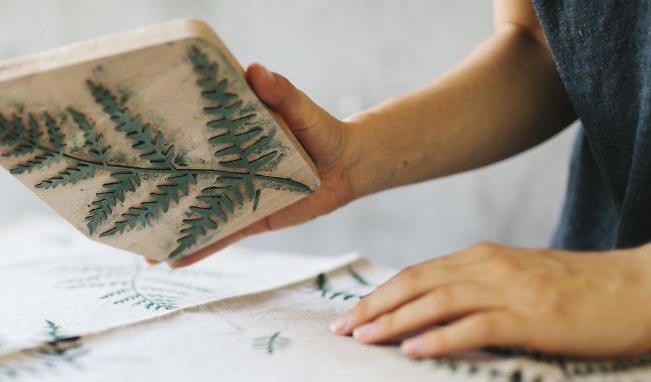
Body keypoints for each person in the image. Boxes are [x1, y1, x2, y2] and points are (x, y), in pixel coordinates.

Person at [168, 0, 651, 360]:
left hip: (599, 300)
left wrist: (634, 286)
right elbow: (544, 44)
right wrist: (354, 156)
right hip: (581, 301)